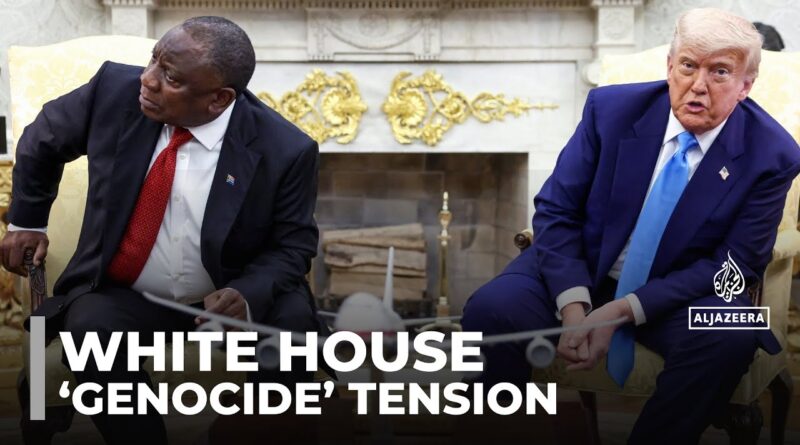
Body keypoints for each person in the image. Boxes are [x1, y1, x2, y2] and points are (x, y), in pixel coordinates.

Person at [461, 8, 800, 444]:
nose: (699, 85)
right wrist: (574, 307)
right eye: (688, 66)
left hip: (677, 293)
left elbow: (735, 264)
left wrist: (622, 310)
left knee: (728, 335)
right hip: (586, 270)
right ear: (670, 66)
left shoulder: (772, 154)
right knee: (492, 308)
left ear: (745, 85)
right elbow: (556, 209)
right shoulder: (610, 110)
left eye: (720, 72)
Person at [1, 16, 324, 444]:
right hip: (127, 295)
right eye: (153, 60)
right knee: (90, 331)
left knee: (294, 328)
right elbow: (42, 138)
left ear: (219, 99)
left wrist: (247, 294)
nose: (148, 79)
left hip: (225, 297)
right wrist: (27, 221)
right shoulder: (114, 91)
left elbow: (294, 244)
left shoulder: (285, 149)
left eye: (170, 77)